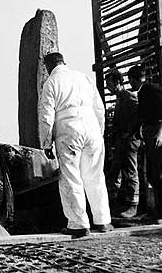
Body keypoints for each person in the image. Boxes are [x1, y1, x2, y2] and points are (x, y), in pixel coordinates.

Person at [39, 52, 112, 237]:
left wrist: (46, 143)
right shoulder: (83, 78)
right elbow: (99, 108)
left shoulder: (52, 82)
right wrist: (100, 133)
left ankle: (79, 224)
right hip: (92, 127)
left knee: (71, 176)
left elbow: (46, 117)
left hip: (69, 128)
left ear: (48, 67)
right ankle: (103, 220)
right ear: (64, 61)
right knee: (95, 175)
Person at [127, 66, 162, 224]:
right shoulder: (143, 93)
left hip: (160, 132)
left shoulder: (152, 90)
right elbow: (141, 117)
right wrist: (131, 134)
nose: (130, 85)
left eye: (131, 81)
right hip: (151, 133)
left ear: (135, 79)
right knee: (154, 174)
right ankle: (159, 212)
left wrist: (160, 133)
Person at [105, 69, 141, 218]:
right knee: (116, 173)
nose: (108, 87)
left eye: (109, 84)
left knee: (131, 173)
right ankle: (119, 204)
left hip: (130, 141)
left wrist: (131, 132)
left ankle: (133, 206)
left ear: (118, 83)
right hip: (121, 142)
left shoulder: (129, 97)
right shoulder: (120, 98)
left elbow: (140, 114)